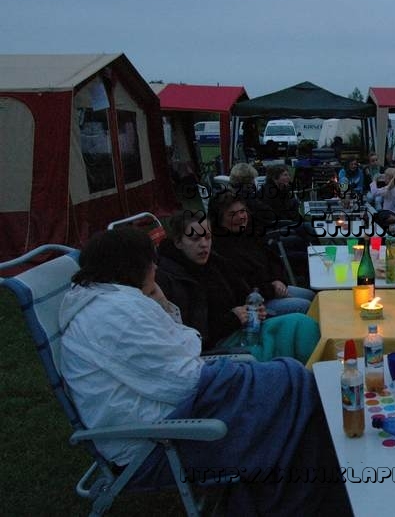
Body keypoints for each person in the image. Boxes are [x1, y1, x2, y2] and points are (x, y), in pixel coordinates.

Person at [57, 227, 349, 515]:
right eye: (151, 261)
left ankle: (305, 484)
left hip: (167, 413)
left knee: (291, 383)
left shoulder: (109, 302)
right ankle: (306, 497)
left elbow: (182, 350)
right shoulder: (117, 314)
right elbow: (186, 377)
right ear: (133, 266)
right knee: (293, 387)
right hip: (157, 442)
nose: (155, 267)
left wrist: (161, 302)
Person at [156, 210, 319, 363]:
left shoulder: (214, 262)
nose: (204, 244)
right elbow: (189, 334)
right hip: (220, 348)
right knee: (301, 326)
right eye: (195, 239)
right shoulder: (172, 278)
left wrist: (253, 309)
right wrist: (233, 319)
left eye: (207, 237)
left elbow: (241, 292)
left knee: (303, 325)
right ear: (178, 242)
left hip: (243, 329)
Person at [209, 190, 315, 315]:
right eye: (232, 214)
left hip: (270, 287)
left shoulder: (248, 234)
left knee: (312, 296)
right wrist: (272, 289)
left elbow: (272, 258)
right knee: (306, 306)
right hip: (253, 305)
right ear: (219, 219)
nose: (240, 217)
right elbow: (242, 288)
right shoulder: (221, 249)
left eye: (242, 211)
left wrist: (278, 279)